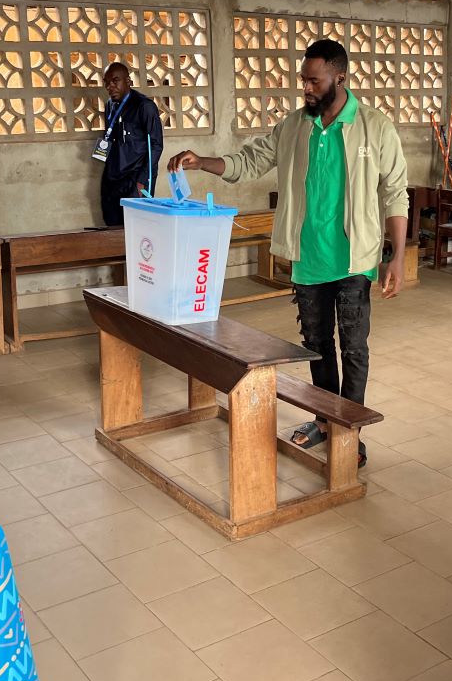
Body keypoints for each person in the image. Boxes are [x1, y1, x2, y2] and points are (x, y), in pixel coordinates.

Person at [168, 39, 407, 468]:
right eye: (304, 81)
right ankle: (324, 417)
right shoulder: (295, 126)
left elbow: (395, 194)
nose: (307, 89)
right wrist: (201, 161)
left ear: (340, 77)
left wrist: (398, 257)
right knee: (316, 345)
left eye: (314, 81)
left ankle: (348, 432)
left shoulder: (375, 127)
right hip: (307, 258)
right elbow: (249, 161)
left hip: (355, 258)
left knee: (353, 347)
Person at [96, 62, 164, 226]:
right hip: (113, 179)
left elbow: (155, 146)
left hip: (136, 179)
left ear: (128, 81)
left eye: (115, 80)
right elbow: (110, 137)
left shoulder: (144, 106)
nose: (110, 86)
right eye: (106, 82)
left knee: (138, 229)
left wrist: (142, 180)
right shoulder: (109, 105)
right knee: (112, 229)